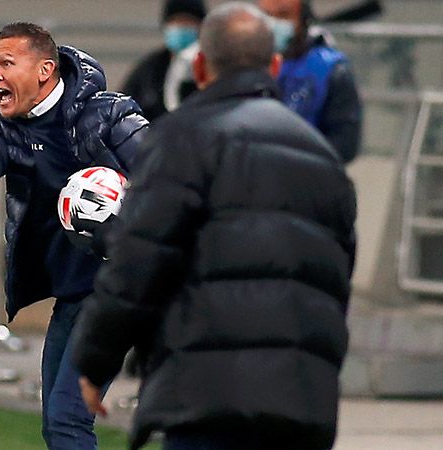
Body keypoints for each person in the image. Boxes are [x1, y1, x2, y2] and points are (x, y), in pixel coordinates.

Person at [72, 2, 357, 450]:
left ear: (201, 65)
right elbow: (337, 281)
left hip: (203, 395)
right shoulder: (323, 159)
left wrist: (95, 359)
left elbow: (139, 260)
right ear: (274, 66)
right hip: (302, 402)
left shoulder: (180, 138)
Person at [0, 22, 147, 450]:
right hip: (72, 294)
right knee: (56, 424)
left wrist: (121, 223)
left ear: (44, 70)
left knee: (68, 419)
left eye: (6, 64)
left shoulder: (109, 114)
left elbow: (167, 180)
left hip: (115, 290)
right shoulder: (8, 126)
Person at [258, 0, 362, 163]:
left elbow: (344, 143)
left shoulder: (330, 68)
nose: (274, 23)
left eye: (284, 15)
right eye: (267, 15)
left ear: (303, 16)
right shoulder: (248, 65)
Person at [121, 0, 207, 121]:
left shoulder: (212, 67)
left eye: (188, 21)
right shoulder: (149, 69)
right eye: (175, 21)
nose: (181, 26)